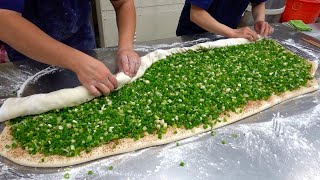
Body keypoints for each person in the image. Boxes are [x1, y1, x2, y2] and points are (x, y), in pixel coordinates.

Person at [0, 0, 141, 96]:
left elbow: (123, 3)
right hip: (29, 48)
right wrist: (77, 62)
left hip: (80, 39)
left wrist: (126, 48)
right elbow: (4, 20)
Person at [176, 0, 274, 41]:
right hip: (195, 34)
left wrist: (259, 20)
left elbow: (258, 3)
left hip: (228, 32)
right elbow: (197, 14)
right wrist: (232, 33)